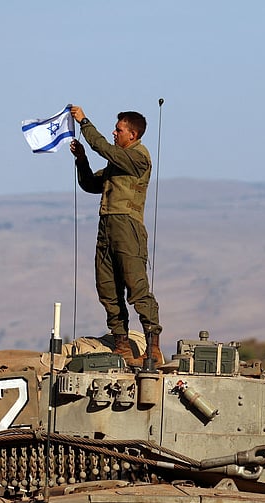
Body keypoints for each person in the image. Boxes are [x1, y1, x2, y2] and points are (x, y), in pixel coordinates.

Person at [69, 105, 162, 367]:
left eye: (119, 129)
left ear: (132, 134)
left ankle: (152, 346)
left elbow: (105, 148)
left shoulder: (137, 158)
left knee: (136, 287)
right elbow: (90, 184)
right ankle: (121, 344)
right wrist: (81, 159)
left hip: (127, 228)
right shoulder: (117, 163)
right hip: (107, 227)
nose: (114, 132)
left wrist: (84, 121)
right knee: (108, 288)